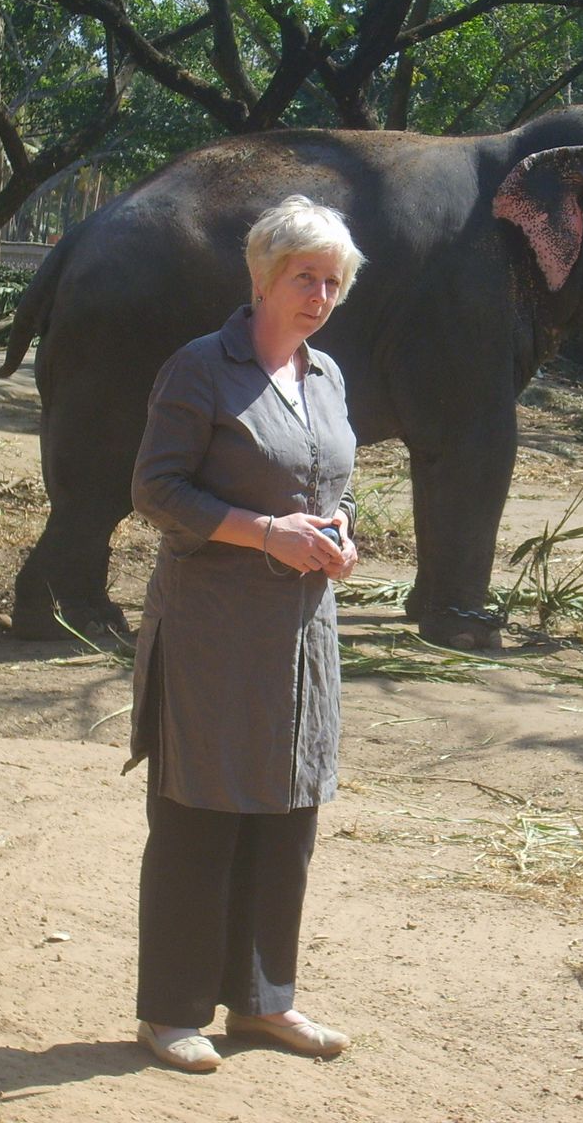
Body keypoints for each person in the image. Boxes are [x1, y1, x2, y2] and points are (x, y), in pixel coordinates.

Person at [124, 195, 364, 1072]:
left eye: (332, 282)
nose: (320, 296)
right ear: (262, 277)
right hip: (213, 632)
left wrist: (341, 532)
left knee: (288, 815)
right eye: (305, 277)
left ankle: (265, 1002)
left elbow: (333, 481)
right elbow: (155, 490)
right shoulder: (200, 369)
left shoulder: (326, 376)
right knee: (202, 814)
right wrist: (265, 534)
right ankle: (171, 1012)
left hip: (301, 636)